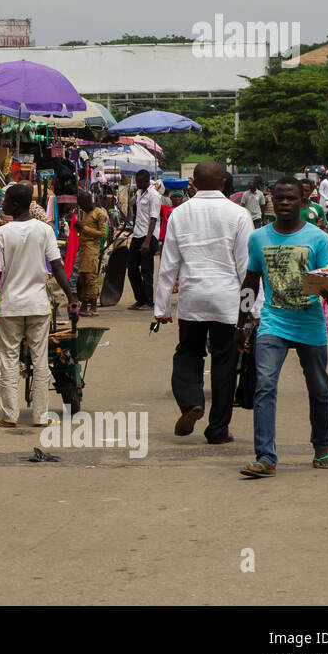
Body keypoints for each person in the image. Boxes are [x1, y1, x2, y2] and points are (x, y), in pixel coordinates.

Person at [235, 177, 328, 477]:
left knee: (319, 389)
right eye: (278, 198)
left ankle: (322, 446)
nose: (284, 203)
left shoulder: (319, 239)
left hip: (309, 322)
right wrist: (241, 324)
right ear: (270, 203)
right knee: (264, 387)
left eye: (291, 198)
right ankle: (265, 457)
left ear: (304, 202)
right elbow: (251, 283)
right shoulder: (259, 238)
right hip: (273, 322)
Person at [153, 161, 251, 444]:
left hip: (193, 298)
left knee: (188, 353)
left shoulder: (179, 213)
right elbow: (246, 267)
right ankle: (218, 430)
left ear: (192, 183)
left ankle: (190, 402)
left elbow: (168, 265)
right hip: (227, 299)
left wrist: (161, 308)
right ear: (224, 182)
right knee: (224, 362)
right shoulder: (239, 214)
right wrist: (252, 309)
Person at [0, 183, 78, 429]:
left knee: (9, 359)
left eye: (6, 200)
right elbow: (58, 266)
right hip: (38, 306)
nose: (3, 204)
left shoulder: (2, 233)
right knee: (40, 360)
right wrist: (71, 297)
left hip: (10, 307)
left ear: (15, 205)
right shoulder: (44, 231)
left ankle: (10, 416)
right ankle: (41, 417)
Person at [127, 169, 164, 310]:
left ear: (147, 181)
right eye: (137, 181)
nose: (138, 184)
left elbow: (153, 219)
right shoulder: (139, 194)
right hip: (137, 235)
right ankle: (140, 299)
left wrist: (147, 241)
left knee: (147, 271)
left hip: (148, 236)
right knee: (132, 268)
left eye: (140, 181)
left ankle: (149, 301)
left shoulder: (154, 196)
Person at [73, 190, 109, 316]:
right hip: (83, 249)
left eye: (82, 205)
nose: (81, 207)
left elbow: (103, 234)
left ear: (87, 202)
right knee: (83, 278)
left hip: (92, 249)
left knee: (91, 278)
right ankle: (84, 306)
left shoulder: (99, 214)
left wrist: (84, 228)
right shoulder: (84, 213)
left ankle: (93, 306)